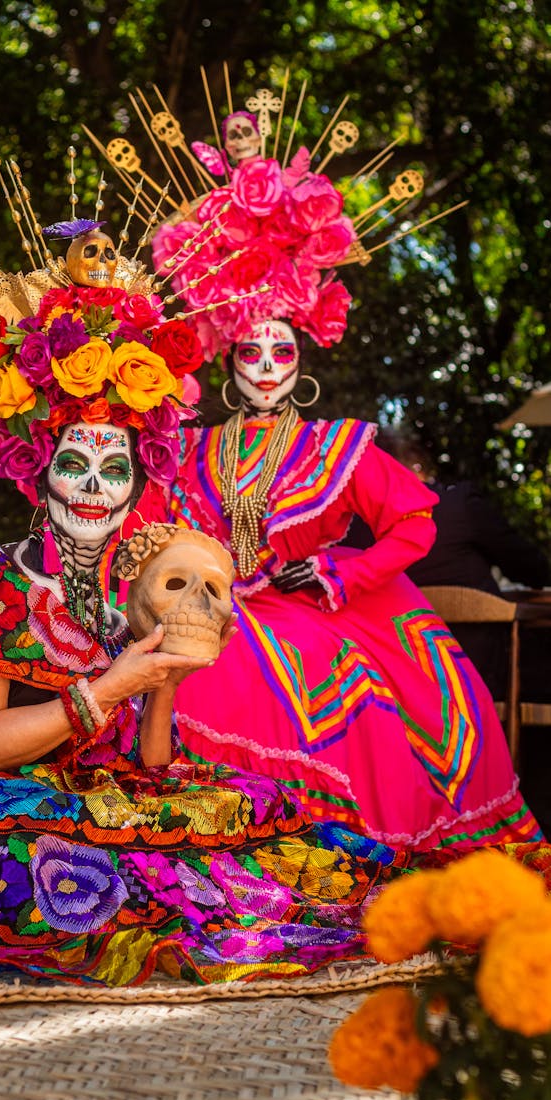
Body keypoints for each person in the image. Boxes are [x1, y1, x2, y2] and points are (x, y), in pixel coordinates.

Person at [0, 201, 456, 988]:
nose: (94, 489)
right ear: (36, 470)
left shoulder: (124, 577)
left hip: (95, 786)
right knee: (46, 867)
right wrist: (110, 685)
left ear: (138, 481)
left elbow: (149, 759)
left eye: (116, 471)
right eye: (74, 464)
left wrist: (163, 682)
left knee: (256, 830)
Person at [144, 103, 543, 852]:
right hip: (216, 603)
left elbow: (414, 524)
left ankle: (298, 840)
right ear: (227, 362)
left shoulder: (337, 447)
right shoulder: (191, 451)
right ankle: (198, 839)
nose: (265, 368)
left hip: (312, 611)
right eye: (249, 353)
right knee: (188, 647)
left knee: (274, 664)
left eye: (281, 352)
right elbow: (152, 538)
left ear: (304, 358)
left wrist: (338, 571)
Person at [345, 428, 551, 697]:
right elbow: (532, 569)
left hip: (389, 686)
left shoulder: (346, 531)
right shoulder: (457, 505)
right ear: (416, 468)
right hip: (482, 677)